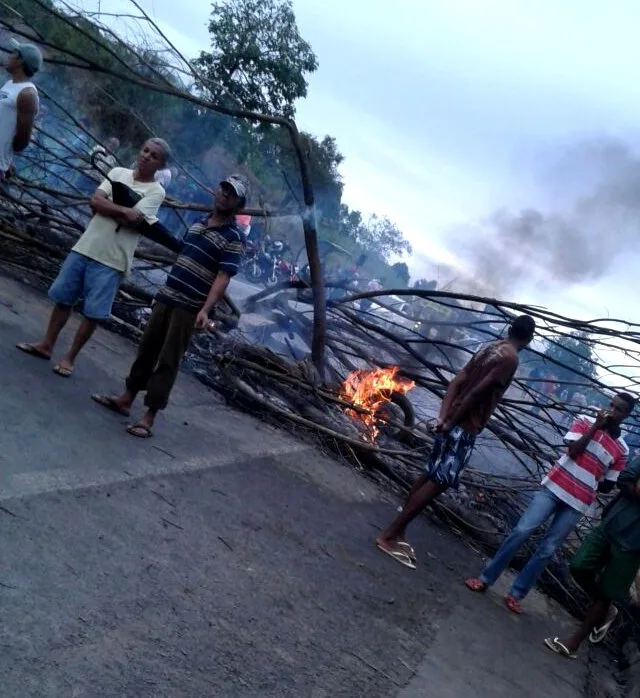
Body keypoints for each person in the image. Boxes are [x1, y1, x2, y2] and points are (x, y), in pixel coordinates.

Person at [91, 174, 249, 438]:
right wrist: (162, 292)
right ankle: (126, 398)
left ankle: (148, 417)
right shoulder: (198, 224)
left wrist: (205, 309)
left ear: (239, 205)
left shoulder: (234, 237)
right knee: (147, 348)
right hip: (168, 296)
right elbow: (182, 258)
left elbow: (223, 277)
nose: (224, 195)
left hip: (188, 306)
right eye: (223, 189)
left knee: (168, 360)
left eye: (231, 194)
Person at [376, 314, 536, 568]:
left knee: (430, 474)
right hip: (464, 425)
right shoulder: (510, 359)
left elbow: (457, 381)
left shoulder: (490, 348)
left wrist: (443, 416)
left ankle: (398, 531)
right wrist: (452, 422)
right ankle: (389, 535)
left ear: (510, 329)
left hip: (451, 420)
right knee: (439, 481)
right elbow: (475, 392)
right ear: (528, 339)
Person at [465, 393, 635, 614]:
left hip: (577, 502)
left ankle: (516, 594)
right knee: (521, 530)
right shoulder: (585, 421)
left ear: (626, 415)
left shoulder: (622, 450)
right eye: (611, 405)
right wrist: (596, 428)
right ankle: (485, 579)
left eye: (618, 409)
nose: (611, 410)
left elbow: (607, 485)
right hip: (554, 488)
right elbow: (573, 451)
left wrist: (597, 471)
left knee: (547, 549)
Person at [16, 138, 169, 376]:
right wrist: (122, 210)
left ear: (161, 164)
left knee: (93, 313)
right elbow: (96, 200)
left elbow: (133, 219)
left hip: (113, 258)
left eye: (154, 156)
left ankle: (69, 359)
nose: (147, 156)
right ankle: (46, 345)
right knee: (63, 299)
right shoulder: (117, 172)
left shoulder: (156, 192)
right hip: (86, 246)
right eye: (145, 150)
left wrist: (111, 208)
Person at [544, 455, 640, 659]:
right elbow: (625, 479)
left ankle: (573, 644)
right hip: (612, 523)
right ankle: (605, 610)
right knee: (579, 566)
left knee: (607, 592)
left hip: (633, 545)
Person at [0, 39, 42, 178]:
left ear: (20, 61)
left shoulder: (27, 94)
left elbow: (22, 140)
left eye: (13, 53)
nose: (9, 56)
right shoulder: (9, 83)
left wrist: (5, 156)